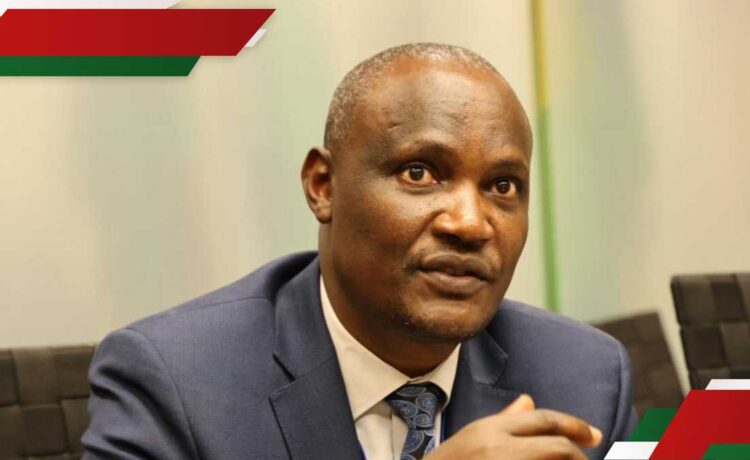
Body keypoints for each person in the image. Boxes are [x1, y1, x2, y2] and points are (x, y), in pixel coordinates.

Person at [83, 43, 637, 460]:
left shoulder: (587, 377)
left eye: (502, 186)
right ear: (323, 186)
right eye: (419, 173)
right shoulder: (176, 380)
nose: (470, 224)